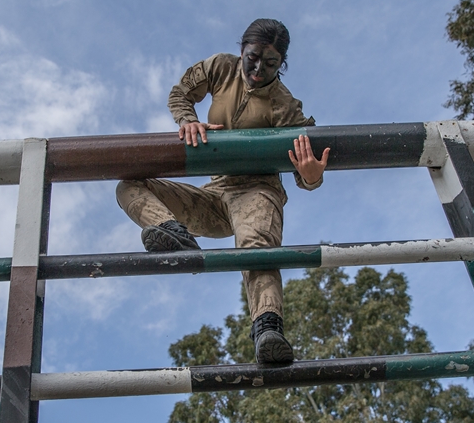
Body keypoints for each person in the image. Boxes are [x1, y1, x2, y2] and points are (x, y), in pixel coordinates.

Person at [116, 19, 329, 365]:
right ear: (241, 51)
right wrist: (189, 120)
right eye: (253, 58)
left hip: (257, 192)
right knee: (128, 185)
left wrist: (310, 177)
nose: (259, 69)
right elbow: (180, 93)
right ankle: (174, 234)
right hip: (214, 195)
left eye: (271, 64)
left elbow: (307, 164)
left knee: (256, 247)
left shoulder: (284, 105)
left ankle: (267, 328)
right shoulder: (220, 67)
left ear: (282, 65)